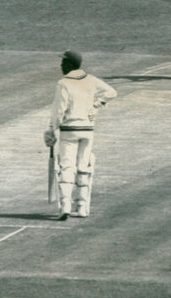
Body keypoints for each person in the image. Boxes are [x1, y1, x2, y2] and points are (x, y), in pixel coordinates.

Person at [44, 51, 117, 220]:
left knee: (67, 168)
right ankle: (83, 207)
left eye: (63, 62)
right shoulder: (91, 79)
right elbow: (111, 92)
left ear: (70, 64)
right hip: (87, 130)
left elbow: (58, 110)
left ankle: (65, 207)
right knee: (84, 167)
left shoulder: (63, 83)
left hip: (69, 130)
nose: (61, 66)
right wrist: (96, 105)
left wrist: (51, 130)